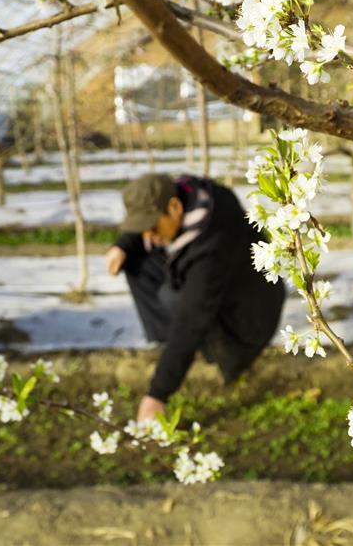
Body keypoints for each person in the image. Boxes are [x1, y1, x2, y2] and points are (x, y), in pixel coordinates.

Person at [105, 173, 286, 422]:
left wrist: (157, 395)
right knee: (135, 260)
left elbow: (193, 315)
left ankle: (199, 352)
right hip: (219, 297)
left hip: (246, 324)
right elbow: (145, 230)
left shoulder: (215, 240)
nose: (149, 236)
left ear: (175, 207)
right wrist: (123, 245)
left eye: (153, 227)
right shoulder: (189, 194)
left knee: (173, 299)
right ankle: (174, 347)